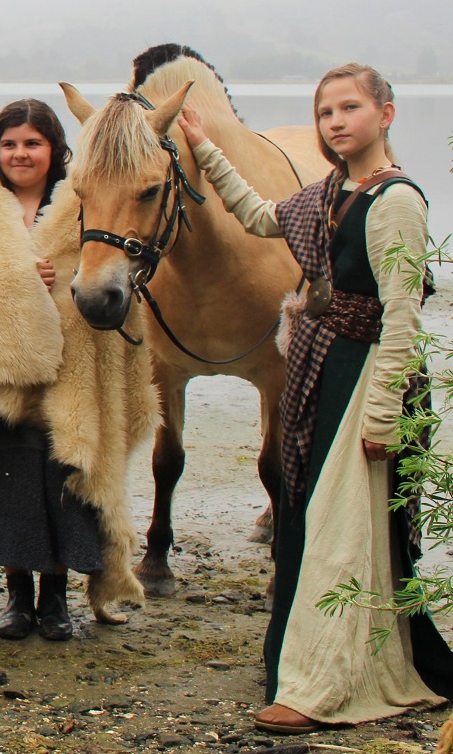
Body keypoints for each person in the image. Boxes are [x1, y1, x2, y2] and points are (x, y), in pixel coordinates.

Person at [178, 64, 453, 734]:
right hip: (321, 370)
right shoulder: (328, 192)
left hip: (363, 377)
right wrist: (206, 149)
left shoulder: (395, 202)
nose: (333, 121)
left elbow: (400, 319)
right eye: (324, 110)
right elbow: (257, 215)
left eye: (348, 107)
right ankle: (307, 666)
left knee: (344, 528)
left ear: (384, 115)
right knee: (309, 520)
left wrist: (384, 414)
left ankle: (322, 683)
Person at [0, 101, 155, 642]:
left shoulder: (84, 203)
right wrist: (15, 279)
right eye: (9, 144)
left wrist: (59, 279)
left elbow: (109, 273)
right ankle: (18, 600)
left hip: (67, 381)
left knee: (62, 488)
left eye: (32, 143)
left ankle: (57, 602)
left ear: (55, 150)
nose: (20, 154)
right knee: (11, 490)